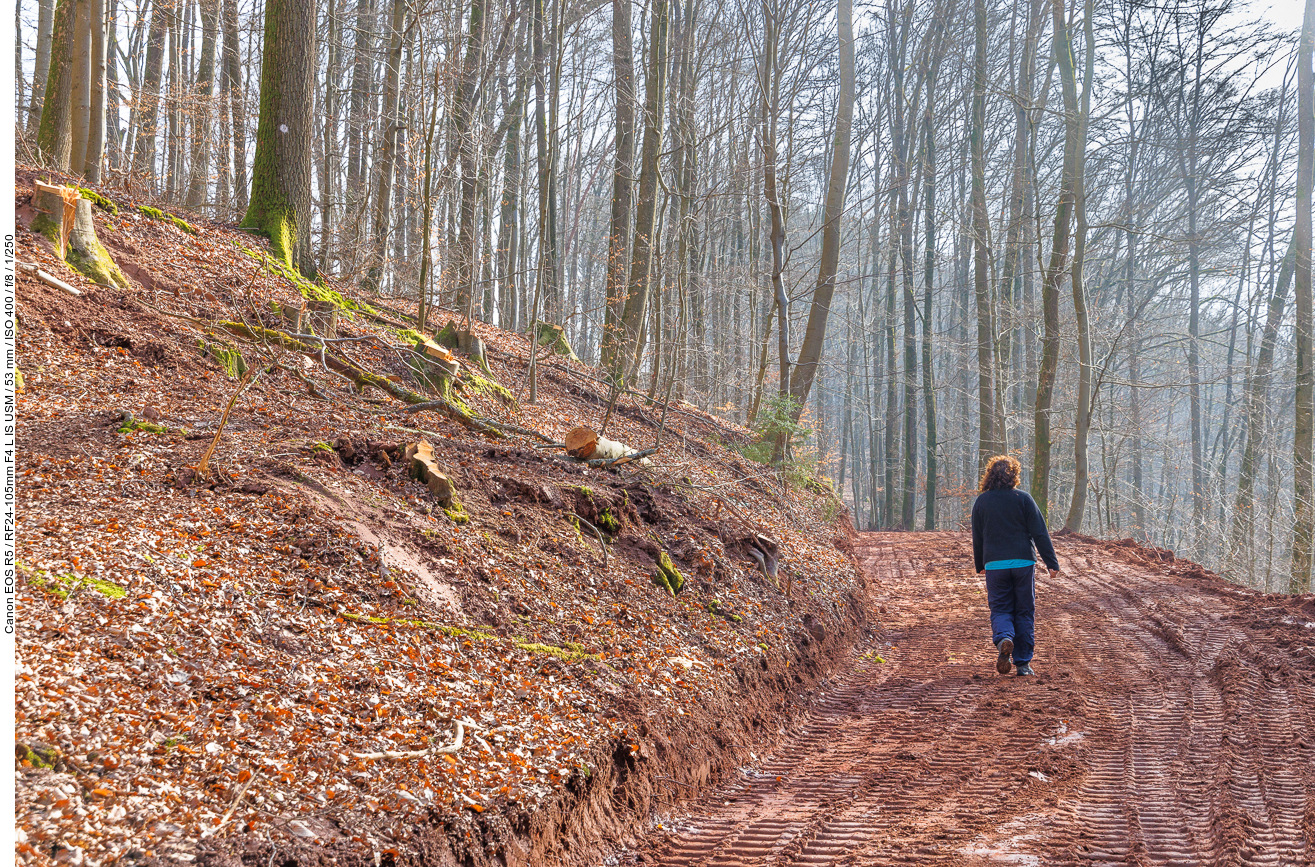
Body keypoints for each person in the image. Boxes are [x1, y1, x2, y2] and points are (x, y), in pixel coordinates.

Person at [970, 455, 1061, 677]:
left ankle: (1004, 639)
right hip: (1022, 563)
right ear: (1014, 476)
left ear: (989, 476)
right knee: (1024, 611)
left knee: (1000, 608)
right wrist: (1051, 562)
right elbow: (1040, 532)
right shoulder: (1024, 499)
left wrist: (980, 563)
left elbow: (977, 536)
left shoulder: (982, 501)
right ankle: (1023, 664)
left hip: (995, 565)